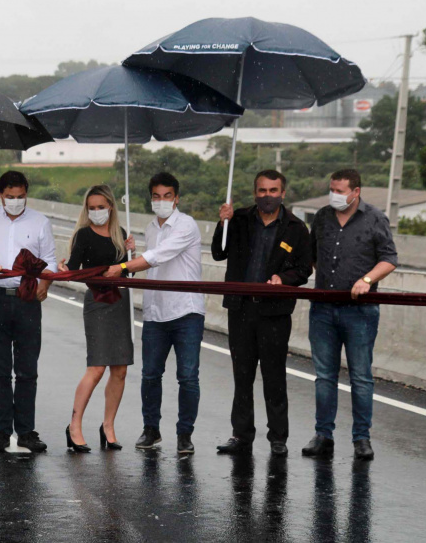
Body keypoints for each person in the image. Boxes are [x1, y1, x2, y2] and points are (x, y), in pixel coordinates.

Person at [101, 173, 207, 454]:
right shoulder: (150, 227)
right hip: (155, 312)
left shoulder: (186, 225)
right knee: (150, 375)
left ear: (177, 198)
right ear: (151, 198)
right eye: (157, 196)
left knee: (187, 377)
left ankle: (185, 434)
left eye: (167, 196)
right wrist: (131, 254)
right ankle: (151, 430)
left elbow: (160, 255)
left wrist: (124, 268)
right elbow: (150, 259)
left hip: (186, 311)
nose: (162, 201)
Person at [211, 170, 312, 457]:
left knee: (274, 375)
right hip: (240, 308)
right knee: (242, 376)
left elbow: (305, 269)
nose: (267, 196)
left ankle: (278, 437)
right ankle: (241, 435)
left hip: (274, 312)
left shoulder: (295, 227)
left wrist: (284, 278)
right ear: (255, 192)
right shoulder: (239, 218)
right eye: (262, 191)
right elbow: (219, 253)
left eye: (273, 190)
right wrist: (223, 222)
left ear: (283, 193)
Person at [303, 169, 398, 461]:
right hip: (323, 309)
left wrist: (366, 280)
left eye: (341, 190)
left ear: (356, 191)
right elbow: (312, 254)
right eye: (332, 189)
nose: (335, 195)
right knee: (324, 376)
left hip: (360, 312)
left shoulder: (375, 218)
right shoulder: (321, 216)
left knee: (360, 376)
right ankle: (323, 435)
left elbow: (389, 259)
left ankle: (361, 438)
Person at [0, 171, 56, 454]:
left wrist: (45, 283)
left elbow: (51, 262)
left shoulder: (40, 222)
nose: (15, 201)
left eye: (21, 197)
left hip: (27, 300)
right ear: (0, 195)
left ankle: (26, 431)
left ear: (26, 194)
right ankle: (1, 431)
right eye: (10, 197)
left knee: (27, 370)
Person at [58, 185, 132, 452]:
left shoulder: (120, 234)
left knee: (120, 369)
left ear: (111, 207)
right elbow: (75, 269)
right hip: (98, 303)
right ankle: (74, 426)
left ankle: (108, 426)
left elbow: (127, 274)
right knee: (97, 367)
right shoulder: (83, 235)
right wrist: (64, 269)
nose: (97, 212)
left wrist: (129, 253)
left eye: (101, 207)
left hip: (121, 301)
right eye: (92, 207)